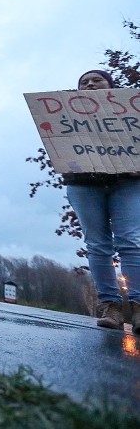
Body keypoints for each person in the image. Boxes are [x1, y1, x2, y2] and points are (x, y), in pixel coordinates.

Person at [64, 69, 140, 333]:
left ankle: (138, 306)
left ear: (111, 85)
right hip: (84, 184)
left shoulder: (131, 113)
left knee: (130, 241)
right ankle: (111, 306)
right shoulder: (66, 116)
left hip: (127, 182)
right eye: (83, 81)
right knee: (96, 244)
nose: (90, 83)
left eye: (97, 80)